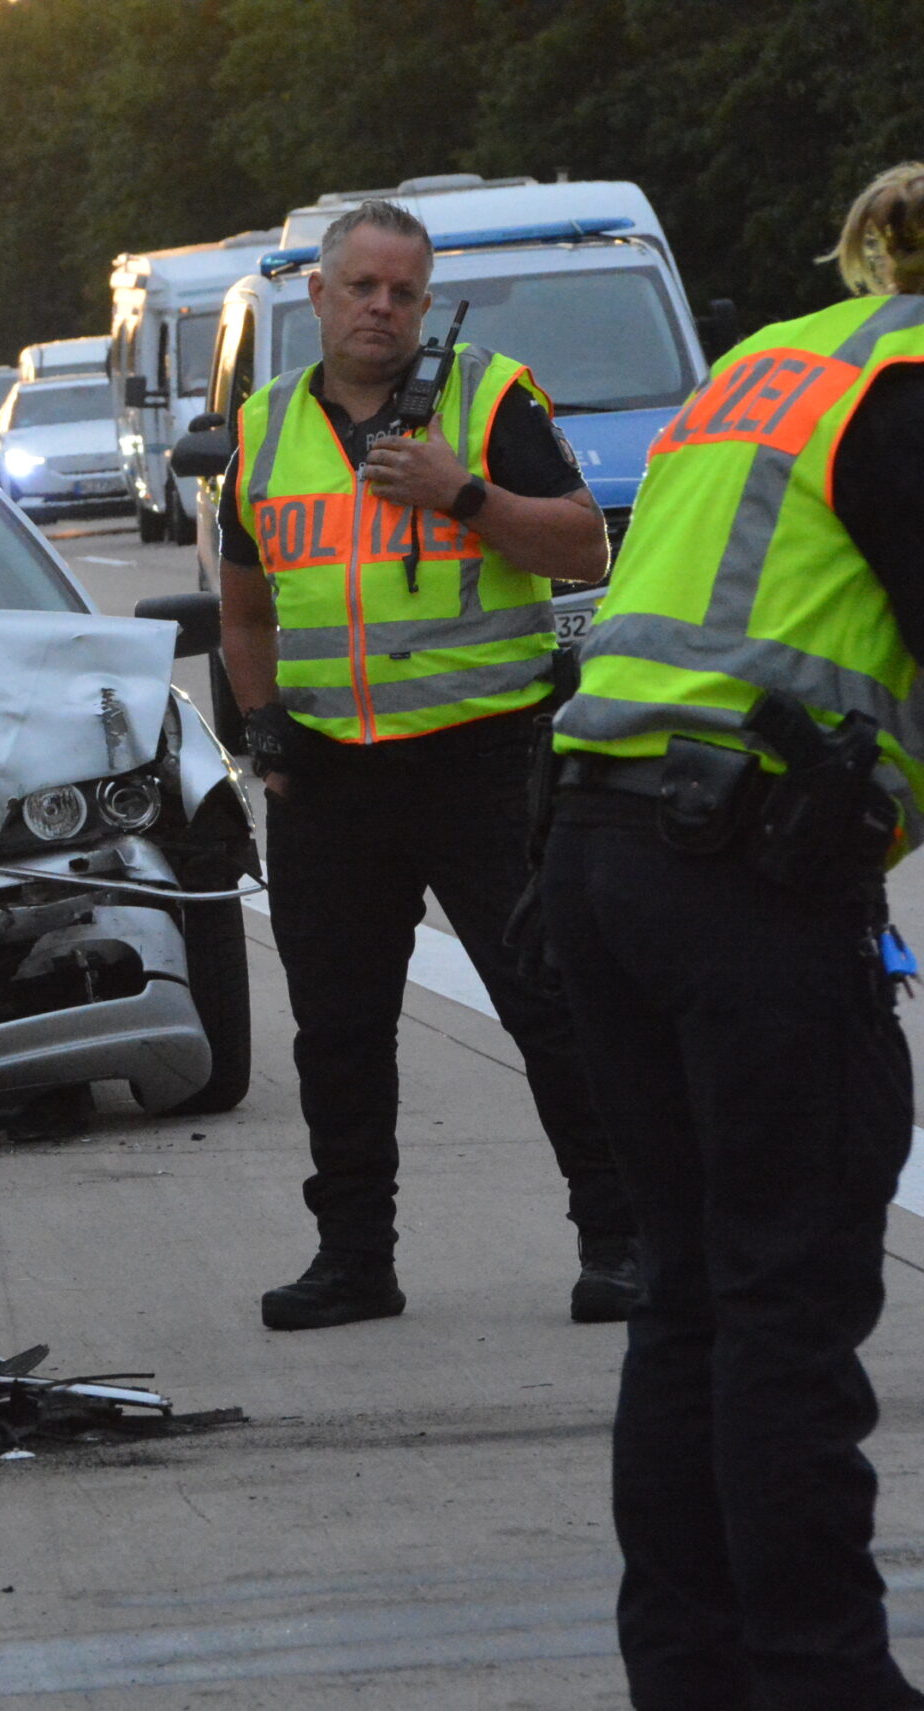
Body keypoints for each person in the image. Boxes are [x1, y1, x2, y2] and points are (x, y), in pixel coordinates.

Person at [540, 162, 924, 1710]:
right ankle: (823, 1678)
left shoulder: (770, 367)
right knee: (786, 1298)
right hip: (740, 881)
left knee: (693, 1293)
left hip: (601, 850)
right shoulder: (905, 394)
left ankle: (692, 1671)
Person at [215, 199, 639, 1331]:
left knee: (551, 1008)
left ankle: (619, 1242)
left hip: (483, 766)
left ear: (425, 298)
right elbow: (243, 612)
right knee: (337, 1035)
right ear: (316, 292)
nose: (381, 309)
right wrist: (263, 734)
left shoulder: (490, 398)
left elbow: (582, 543)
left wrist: (460, 491)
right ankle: (354, 1260)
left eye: (403, 291)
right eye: (361, 287)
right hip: (330, 779)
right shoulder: (261, 428)